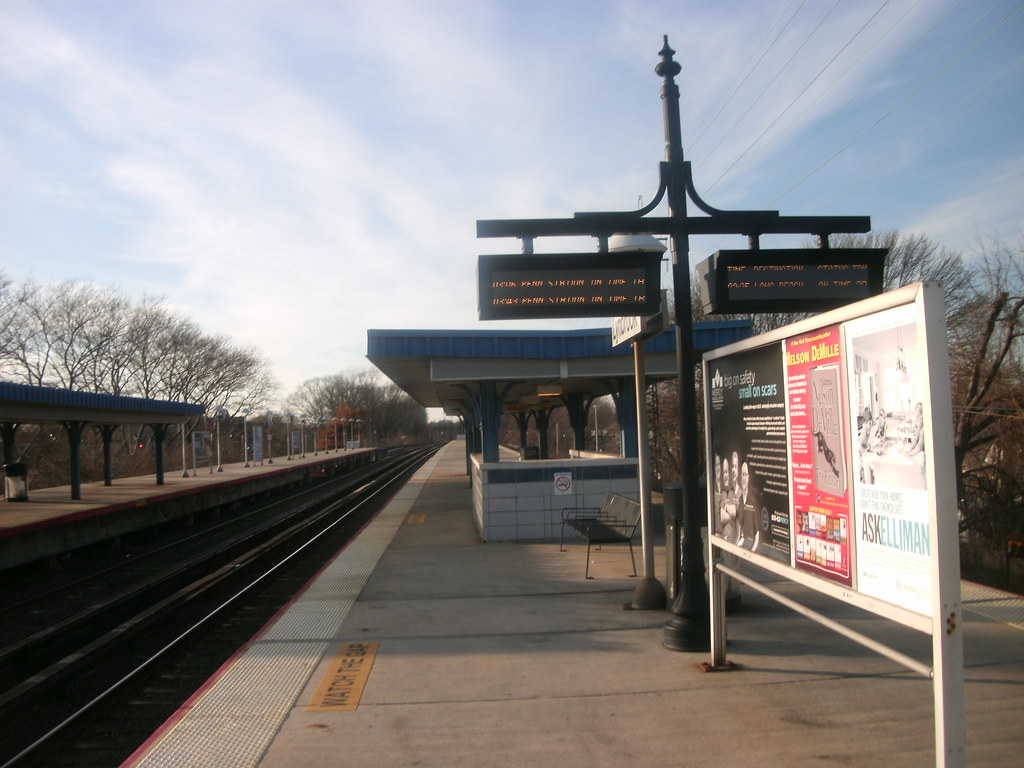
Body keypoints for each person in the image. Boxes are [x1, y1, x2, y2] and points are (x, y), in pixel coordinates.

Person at [737, 460, 760, 550]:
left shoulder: (753, 500)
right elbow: (739, 527)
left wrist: (752, 551)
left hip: (750, 547)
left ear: (749, 477)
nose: (743, 477)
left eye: (745, 474)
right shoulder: (739, 498)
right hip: (741, 545)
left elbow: (757, 535)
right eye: (742, 474)